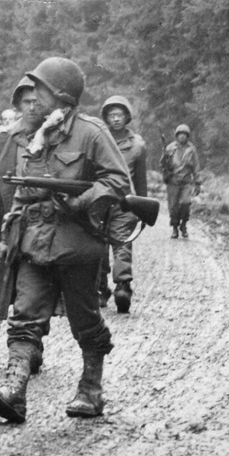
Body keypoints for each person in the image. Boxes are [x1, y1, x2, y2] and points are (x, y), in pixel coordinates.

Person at [0, 57, 131, 423]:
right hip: (33, 240)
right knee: (24, 317)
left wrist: (83, 199)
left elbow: (119, 181)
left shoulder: (91, 133)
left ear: (60, 95)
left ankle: (91, 388)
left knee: (85, 320)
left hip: (75, 243)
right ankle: (14, 391)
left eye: (40, 89)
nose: (33, 97)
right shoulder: (32, 134)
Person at [98, 95, 150, 312]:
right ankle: (99, 288)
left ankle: (123, 286)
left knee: (121, 245)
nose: (116, 119)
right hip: (100, 201)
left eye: (120, 115)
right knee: (97, 246)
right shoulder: (98, 139)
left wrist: (144, 207)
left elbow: (141, 180)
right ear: (106, 117)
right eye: (112, 115)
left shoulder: (137, 145)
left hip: (125, 203)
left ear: (126, 117)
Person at [162, 124, 201, 238]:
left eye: (185, 134)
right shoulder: (170, 148)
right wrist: (165, 156)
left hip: (186, 182)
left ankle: (183, 225)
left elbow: (196, 167)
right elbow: (163, 164)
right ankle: (174, 228)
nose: (182, 137)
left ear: (187, 136)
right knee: (173, 206)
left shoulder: (191, 150)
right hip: (173, 181)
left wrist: (197, 183)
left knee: (185, 204)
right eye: (180, 134)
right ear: (177, 136)